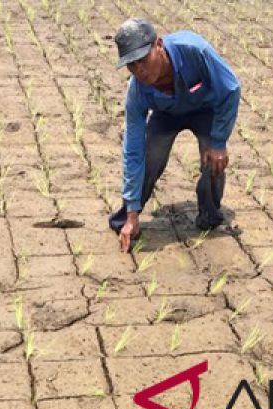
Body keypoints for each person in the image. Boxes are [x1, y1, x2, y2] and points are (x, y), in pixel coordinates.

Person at [110, 18, 241, 252]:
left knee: (213, 161)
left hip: (205, 110)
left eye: (142, 60)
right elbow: (133, 149)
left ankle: (210, 215)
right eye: (131, 65)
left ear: (158, 45)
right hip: (166, 115)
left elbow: (230, 88)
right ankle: (129, 217)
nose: (139, 70)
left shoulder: (194, 51)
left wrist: (219, 142)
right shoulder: (137, 91)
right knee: (150, 160)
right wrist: (131, 211)